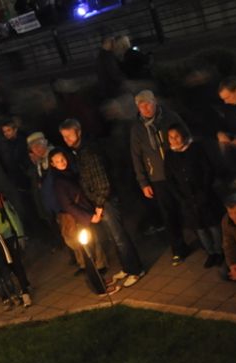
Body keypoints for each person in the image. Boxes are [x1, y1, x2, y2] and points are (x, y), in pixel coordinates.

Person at [60, 118, 145, 288]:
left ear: (78, 132)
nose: (67, 139)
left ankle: (136, 270)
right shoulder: (79, 151)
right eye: (64, 136)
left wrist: (99, 206)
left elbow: (103, 183)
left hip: (105, 202)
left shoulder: (89, 152)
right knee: (114, 237)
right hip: (99, 202)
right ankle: (127, 268)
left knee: (119, 236)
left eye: (69, 135)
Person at [129, 90, 190, 263]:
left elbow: (186, 137)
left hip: (178, 171)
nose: (145, 108)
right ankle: (178, 248)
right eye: (141, 106)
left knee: (188, 206)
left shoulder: (170, 117)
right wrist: (143, 182)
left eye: (147, 103)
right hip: (157, 177)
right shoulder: (137, 129)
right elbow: (136, 156)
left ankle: (207, 241)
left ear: (155, 101)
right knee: (168, 214)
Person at [48, 148, 115, 296]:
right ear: (52, 164)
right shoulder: (59, 182)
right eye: (58, 161)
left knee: (92, 250)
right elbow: (68, 206)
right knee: (88, 254)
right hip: (79, 221)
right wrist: (89, 217)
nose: (62, 163)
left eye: (63, 159)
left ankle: (100, 280)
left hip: (85, 217)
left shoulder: (70, 173)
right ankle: (99, 288)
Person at [165, 124, 225, 267]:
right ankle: (210, 252)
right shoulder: (169, 155)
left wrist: (204, 191)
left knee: (212, 224)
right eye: (171, 137)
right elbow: (170, 179)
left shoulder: (195, 148)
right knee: (199, 227)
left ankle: (220, 251)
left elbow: (207, 170)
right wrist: (180, 198)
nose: (174, 140)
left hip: (204, 193)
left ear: (183, 135)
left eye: (177, 136)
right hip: (186, 198)